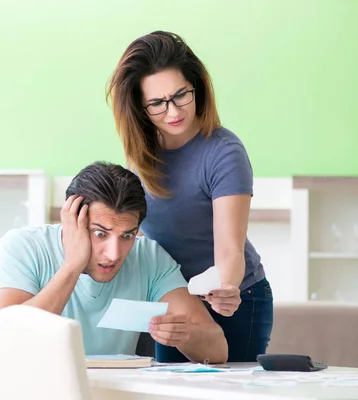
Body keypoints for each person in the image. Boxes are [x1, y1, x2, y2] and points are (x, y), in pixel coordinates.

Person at [106, 31, 273, 362]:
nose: (172, 112)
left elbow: (229, 250)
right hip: (173, 299)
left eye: (180, 95)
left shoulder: (223, 152)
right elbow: (137, 236)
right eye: (156, 103)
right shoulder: (141, 155)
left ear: (197, 87)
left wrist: (226, 288)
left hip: (234, 301)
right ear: (139, 107)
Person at [0, 161, 227, 363]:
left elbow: (218, 350)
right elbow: (4, 342)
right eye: (100, 234)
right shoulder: (22, 247)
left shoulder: (149, 257)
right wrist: (73, 264)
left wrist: (187, 335)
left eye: (127, 235)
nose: (113, 254)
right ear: (72, 220)